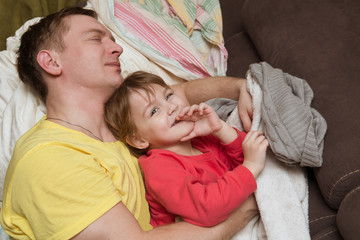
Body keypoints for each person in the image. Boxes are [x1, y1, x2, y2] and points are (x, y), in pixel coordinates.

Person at [1, 6, 257, 240]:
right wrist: (250, 205)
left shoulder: (123, 118)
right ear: (52, 62)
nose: (117, 48)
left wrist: (239, 87)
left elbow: (183, 95)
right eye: (95, 38)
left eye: (112, 39)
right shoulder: (48, 158)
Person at [104, 71, 268, 228]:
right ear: (139, 140)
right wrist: (251, 167)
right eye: (154, 111)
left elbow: (253, 156)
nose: (172, 107)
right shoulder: (159, 168)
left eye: (168, 96)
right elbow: (207, 209)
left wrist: (220, 129)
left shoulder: (201, 138)